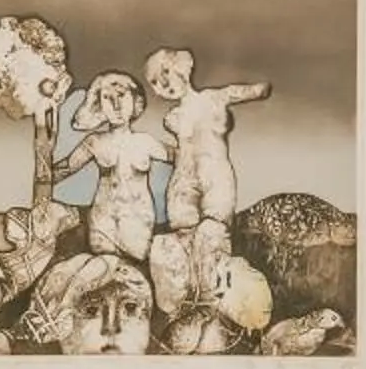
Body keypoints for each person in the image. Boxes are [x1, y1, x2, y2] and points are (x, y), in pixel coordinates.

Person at [144, 47, 271, 232]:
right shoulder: (172, 118)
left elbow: (246, 91)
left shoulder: (213, 98)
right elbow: (179, 151)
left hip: (215, 173)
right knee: (181, 234)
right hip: (183, 179)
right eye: (154, 81)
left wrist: (259, 89)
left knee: (215, 231)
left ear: (181, 66)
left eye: (165, 71)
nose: (163, 83)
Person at [51, 71, 174, 261]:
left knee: (133, 272)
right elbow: (65, 168)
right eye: (108, 98)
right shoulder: (94, 142)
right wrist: (36, 179)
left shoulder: (146, 142)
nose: (116, 106)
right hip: (103, 224)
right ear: (100, 106)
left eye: (122, 97)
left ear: (136, 102)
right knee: (102, 269)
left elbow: (185, 159)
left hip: (137, 224)